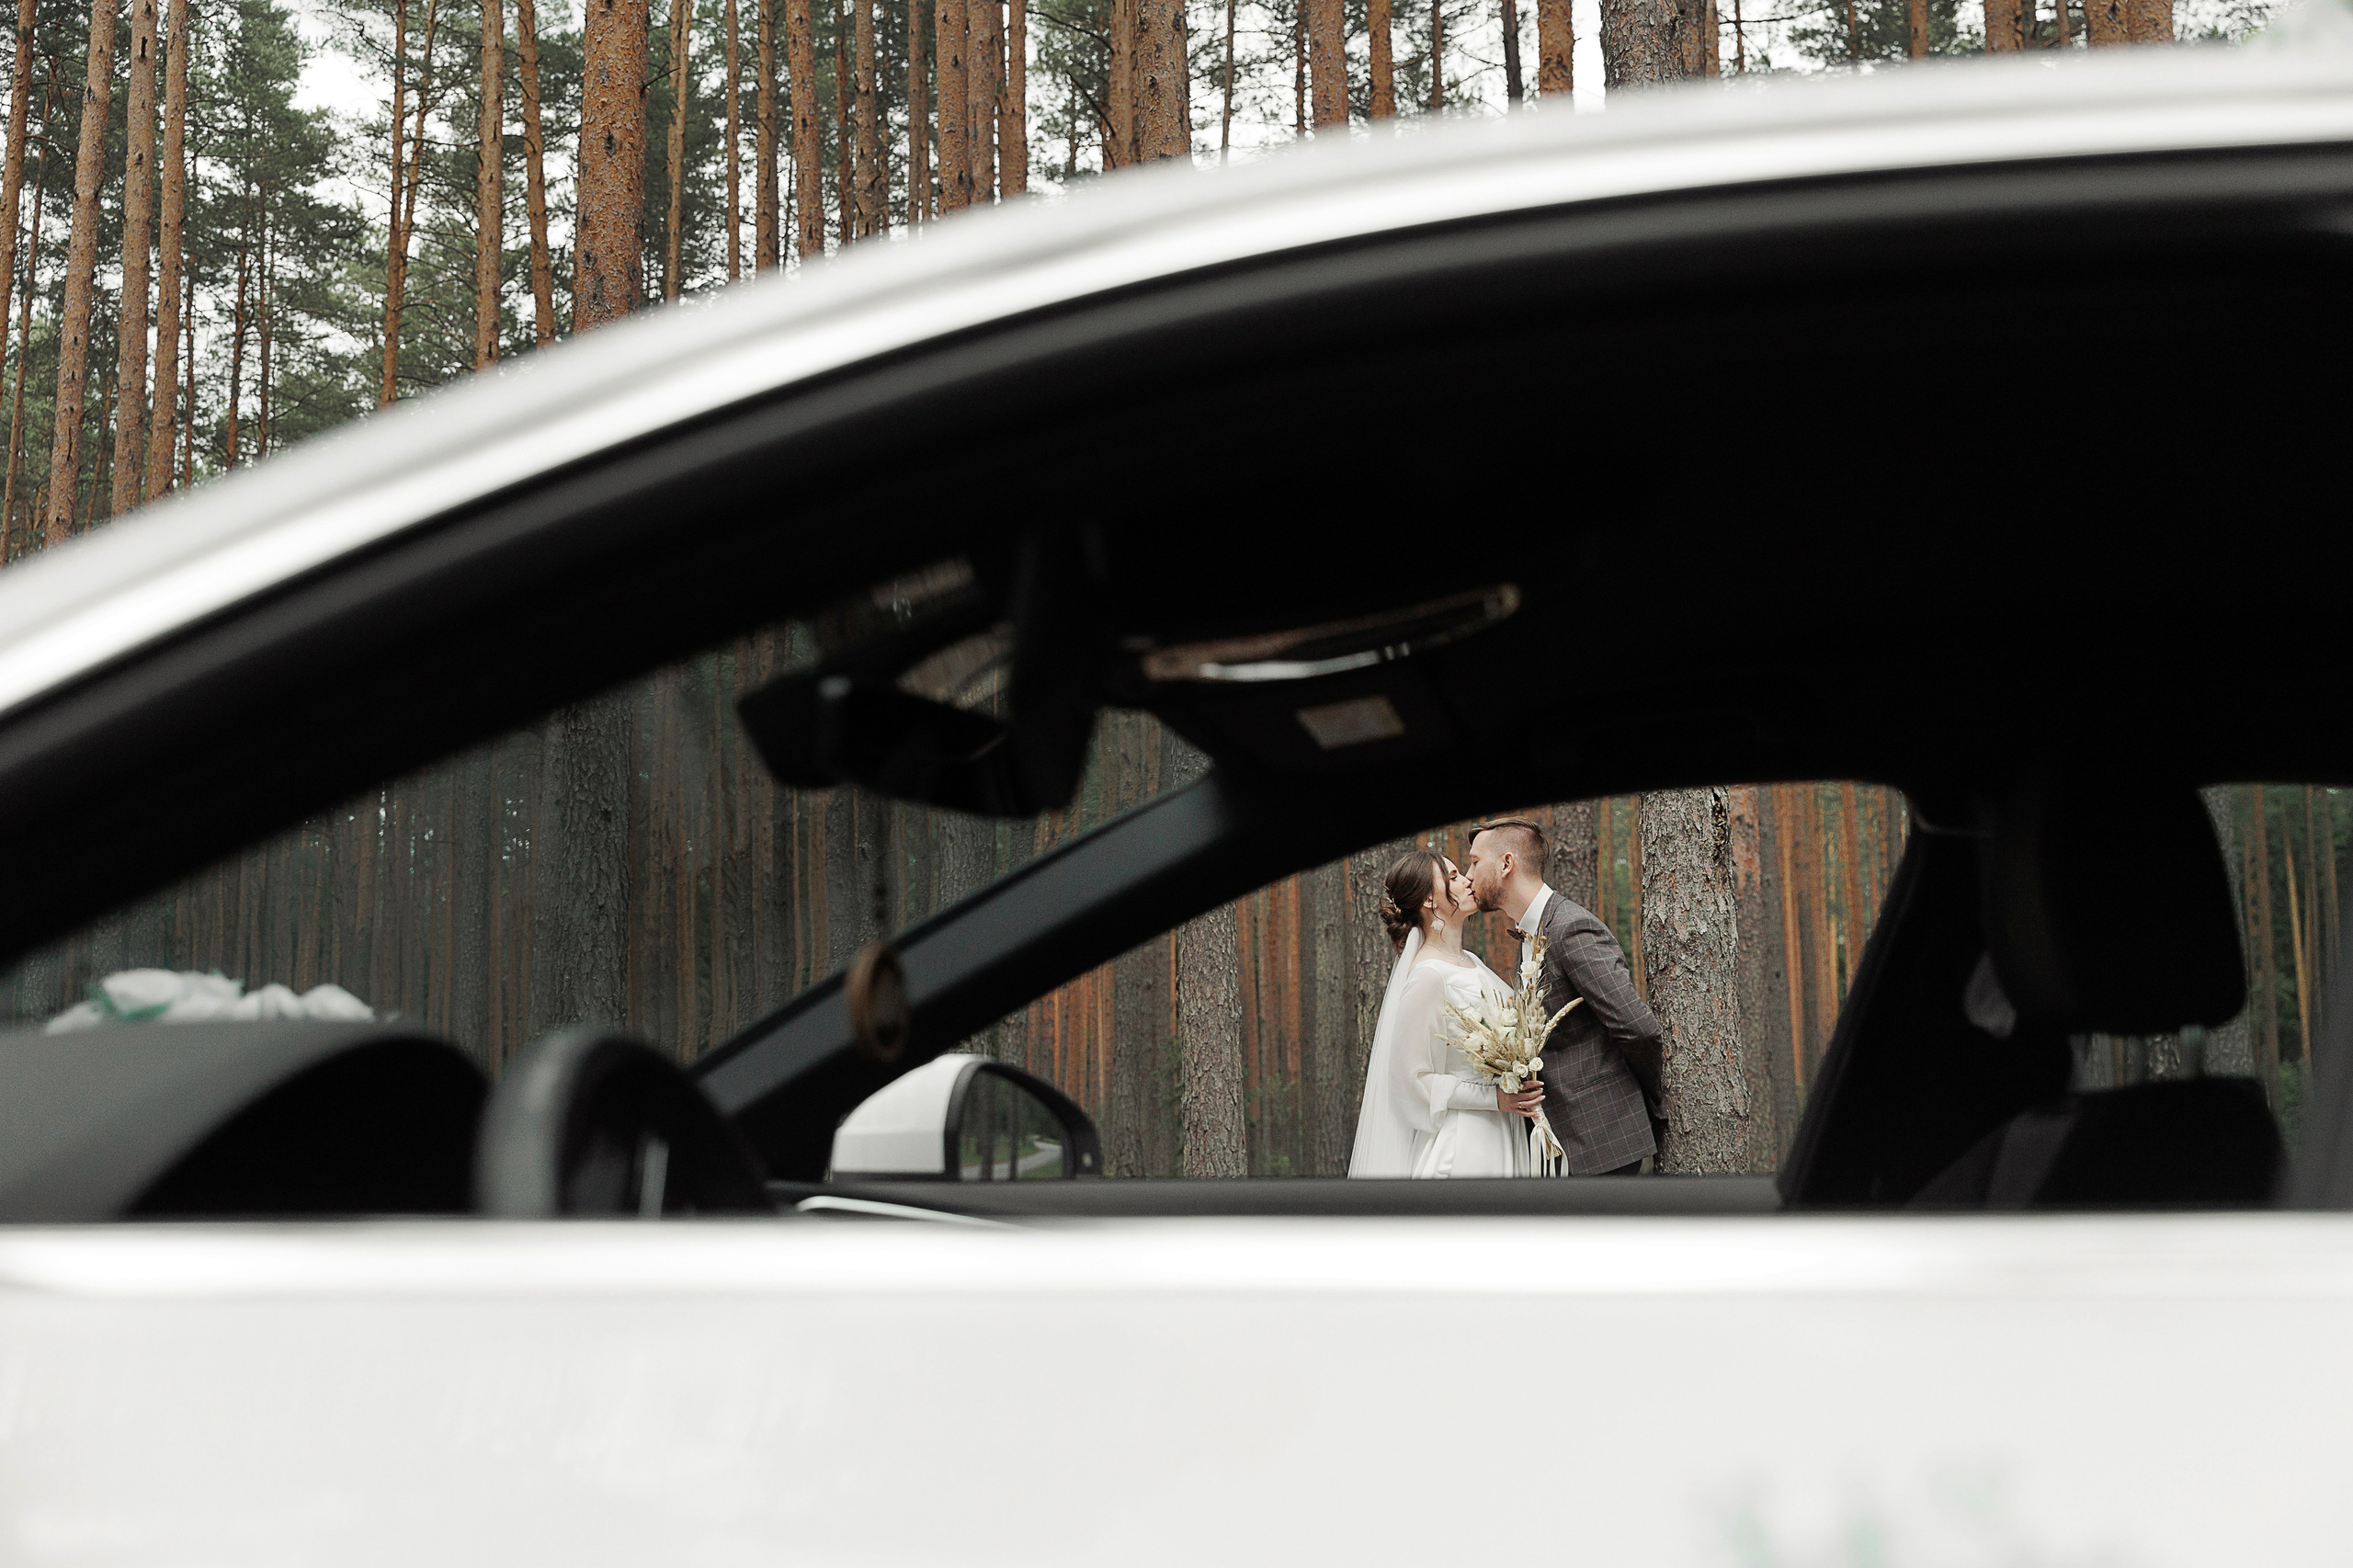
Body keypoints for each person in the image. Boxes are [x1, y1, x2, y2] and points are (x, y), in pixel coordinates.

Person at [1463, 817, 1664, 1176]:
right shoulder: (1530, 934)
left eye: (1475, 862)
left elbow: (1638, 1027)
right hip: (1562, 1140)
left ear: (1506, 863)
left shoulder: (1570, 928)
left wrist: (1651, 1103)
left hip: (1603, 1139)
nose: (1468, 875)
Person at [1347, 848, 1546, 1178]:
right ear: (1429, 900)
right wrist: (1494, 1098)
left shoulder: (1469, 960)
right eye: (1452, 877)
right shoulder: (1427, 975)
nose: (1467, 880)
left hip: (1502, 1129)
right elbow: (1412, 1081)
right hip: (1465, 1143)